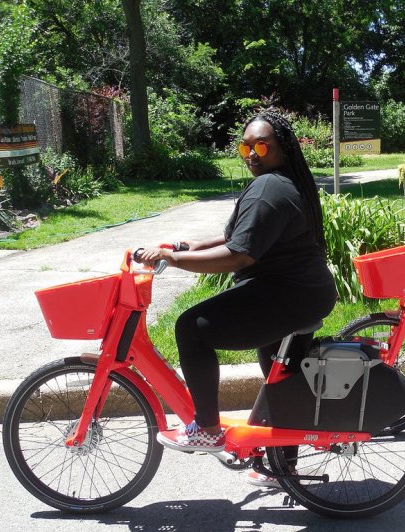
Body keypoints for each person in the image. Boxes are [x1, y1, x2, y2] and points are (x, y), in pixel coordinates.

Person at [137, 110, 336, 485]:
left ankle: (208, 428)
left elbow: (239, 255)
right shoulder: (281, 183)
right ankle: (282, 466)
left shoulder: (269, 188)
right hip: (304, 292)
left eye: (262, 145)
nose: (252, 154)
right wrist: (188, 245)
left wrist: (174, 258)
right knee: (281, 375)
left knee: (192, 328)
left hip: (288, 294)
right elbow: (243, 234)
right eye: (246, 145)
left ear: (283, 148)